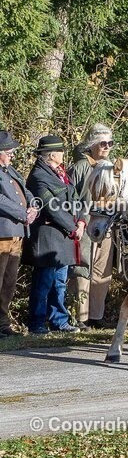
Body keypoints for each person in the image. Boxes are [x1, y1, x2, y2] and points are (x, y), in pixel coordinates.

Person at [25, 135, 87, 334]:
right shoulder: (38, 177)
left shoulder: (61, 173)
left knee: (60, 282)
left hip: (64, 236)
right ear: (52, 155)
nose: (63, 154)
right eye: (60, 151)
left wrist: (81, 221)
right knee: (43, 282)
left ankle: (59, 321)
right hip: (49, 237)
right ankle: (36, 323)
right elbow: (52, 208)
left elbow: (76, 198)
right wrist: (73, 227)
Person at [68, 124, 116, 330]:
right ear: (92, 145)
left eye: (110, 143)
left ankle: (97, 315)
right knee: (82, 268)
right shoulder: (80, 167)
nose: (106, 147)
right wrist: (78, 221)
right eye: (102, 143)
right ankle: (80, 317)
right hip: (85, 223)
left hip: (107, 225)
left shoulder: (112, 167)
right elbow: (70, 197)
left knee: (102, 270)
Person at [0, 131, 37, 337]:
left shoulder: (11, 170)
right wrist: (23, 213)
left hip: (17, 233)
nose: (12, 155)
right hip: (3, 233)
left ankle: (3, 323)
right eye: (9, 152)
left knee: (9, 281)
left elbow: (26, 191)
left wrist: (33, 206)